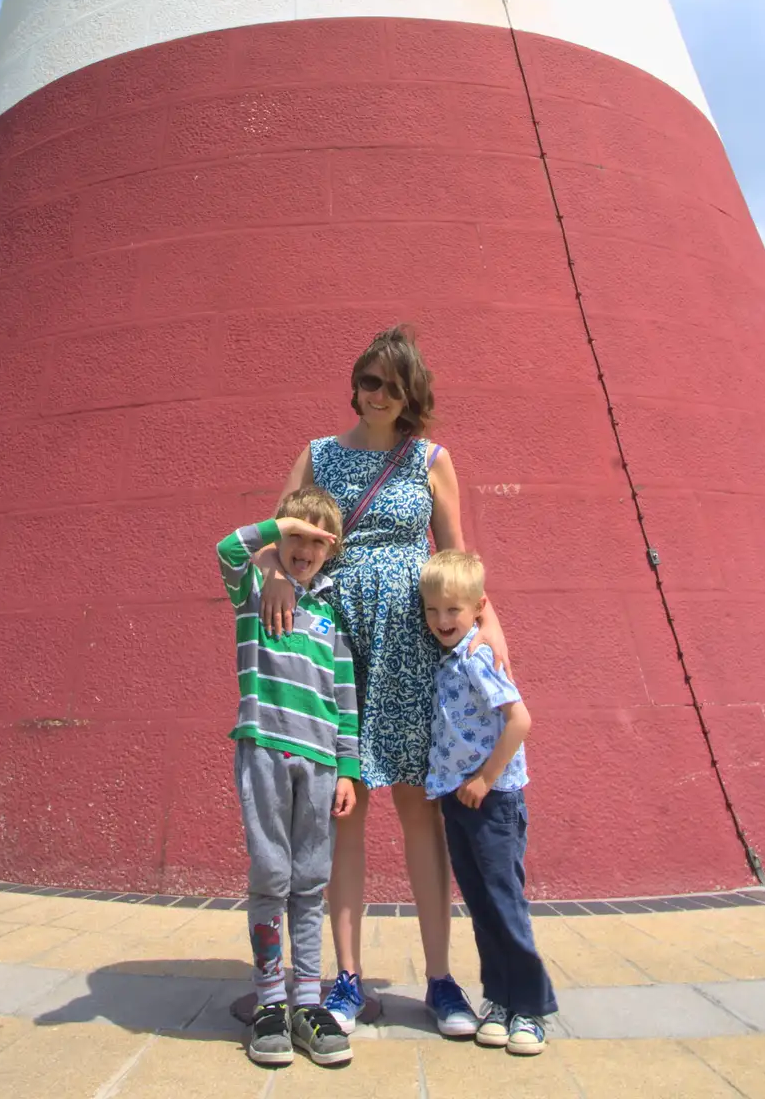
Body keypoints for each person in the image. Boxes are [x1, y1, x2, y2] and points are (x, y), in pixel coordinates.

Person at [261, 326, 510, 1037]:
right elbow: (275, 535)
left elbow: (457, 558)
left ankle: (440, 980)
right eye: (366, 381)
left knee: (418, 809)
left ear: (410, 393)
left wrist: (490, 630)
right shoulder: (318, 455)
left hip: (409, 644)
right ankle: (343, 978)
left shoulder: (429, 459)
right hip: (332, 640)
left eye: (389, 386)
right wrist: (279, 575)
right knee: (343, 807)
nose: (373, 396)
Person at [217, 485, 359, 1068]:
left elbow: (345, 698)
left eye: (317, 541)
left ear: (332, 549)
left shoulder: (331, 615)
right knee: (272, 872)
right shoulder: (254, 590)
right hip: (265, 749)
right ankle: (270, 997)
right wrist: (277, 533)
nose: (304, 548)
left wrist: (347, 768)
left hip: (321, 762)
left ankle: (307, 997)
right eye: (296, 537)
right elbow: (228, 549)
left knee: (310, 878)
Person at [420, 548, 557, 1055]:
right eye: (432, 611)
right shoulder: (450, 657)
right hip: (460, 797)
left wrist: (484, 778)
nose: (441, 621)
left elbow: (520, 720)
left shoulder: (480, 655)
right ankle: (499, 999)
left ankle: (531, 1008)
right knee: (480, 904)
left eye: (452, 610)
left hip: (492, 797)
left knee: (504, 902)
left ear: (478, 607)